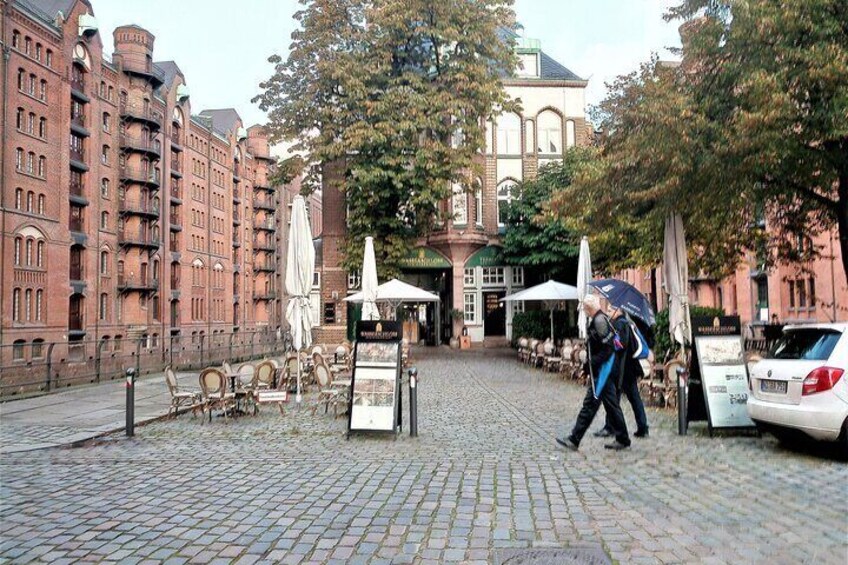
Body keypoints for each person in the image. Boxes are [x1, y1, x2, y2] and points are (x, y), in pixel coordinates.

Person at [557, 294, 631, 451]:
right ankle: (623, 438)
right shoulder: (601, 319)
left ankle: (574, 439)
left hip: (603, 372)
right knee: (611, 405)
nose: (584, 310)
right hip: (603, 371)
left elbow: (608, 348)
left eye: (584, 308)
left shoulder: (599, 321)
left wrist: (591, 362)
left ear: (589, 307)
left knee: (590, 405)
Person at [595, 310, 649, 438]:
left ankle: (612, 427)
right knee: (628, 398)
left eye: (609, 310)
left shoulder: (621, 324)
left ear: (617, 311)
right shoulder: (621, 323)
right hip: (625, 368)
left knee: (616, 399)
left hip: (624, 369)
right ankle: (641, 427)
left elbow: (620, 345)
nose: (607, 312)